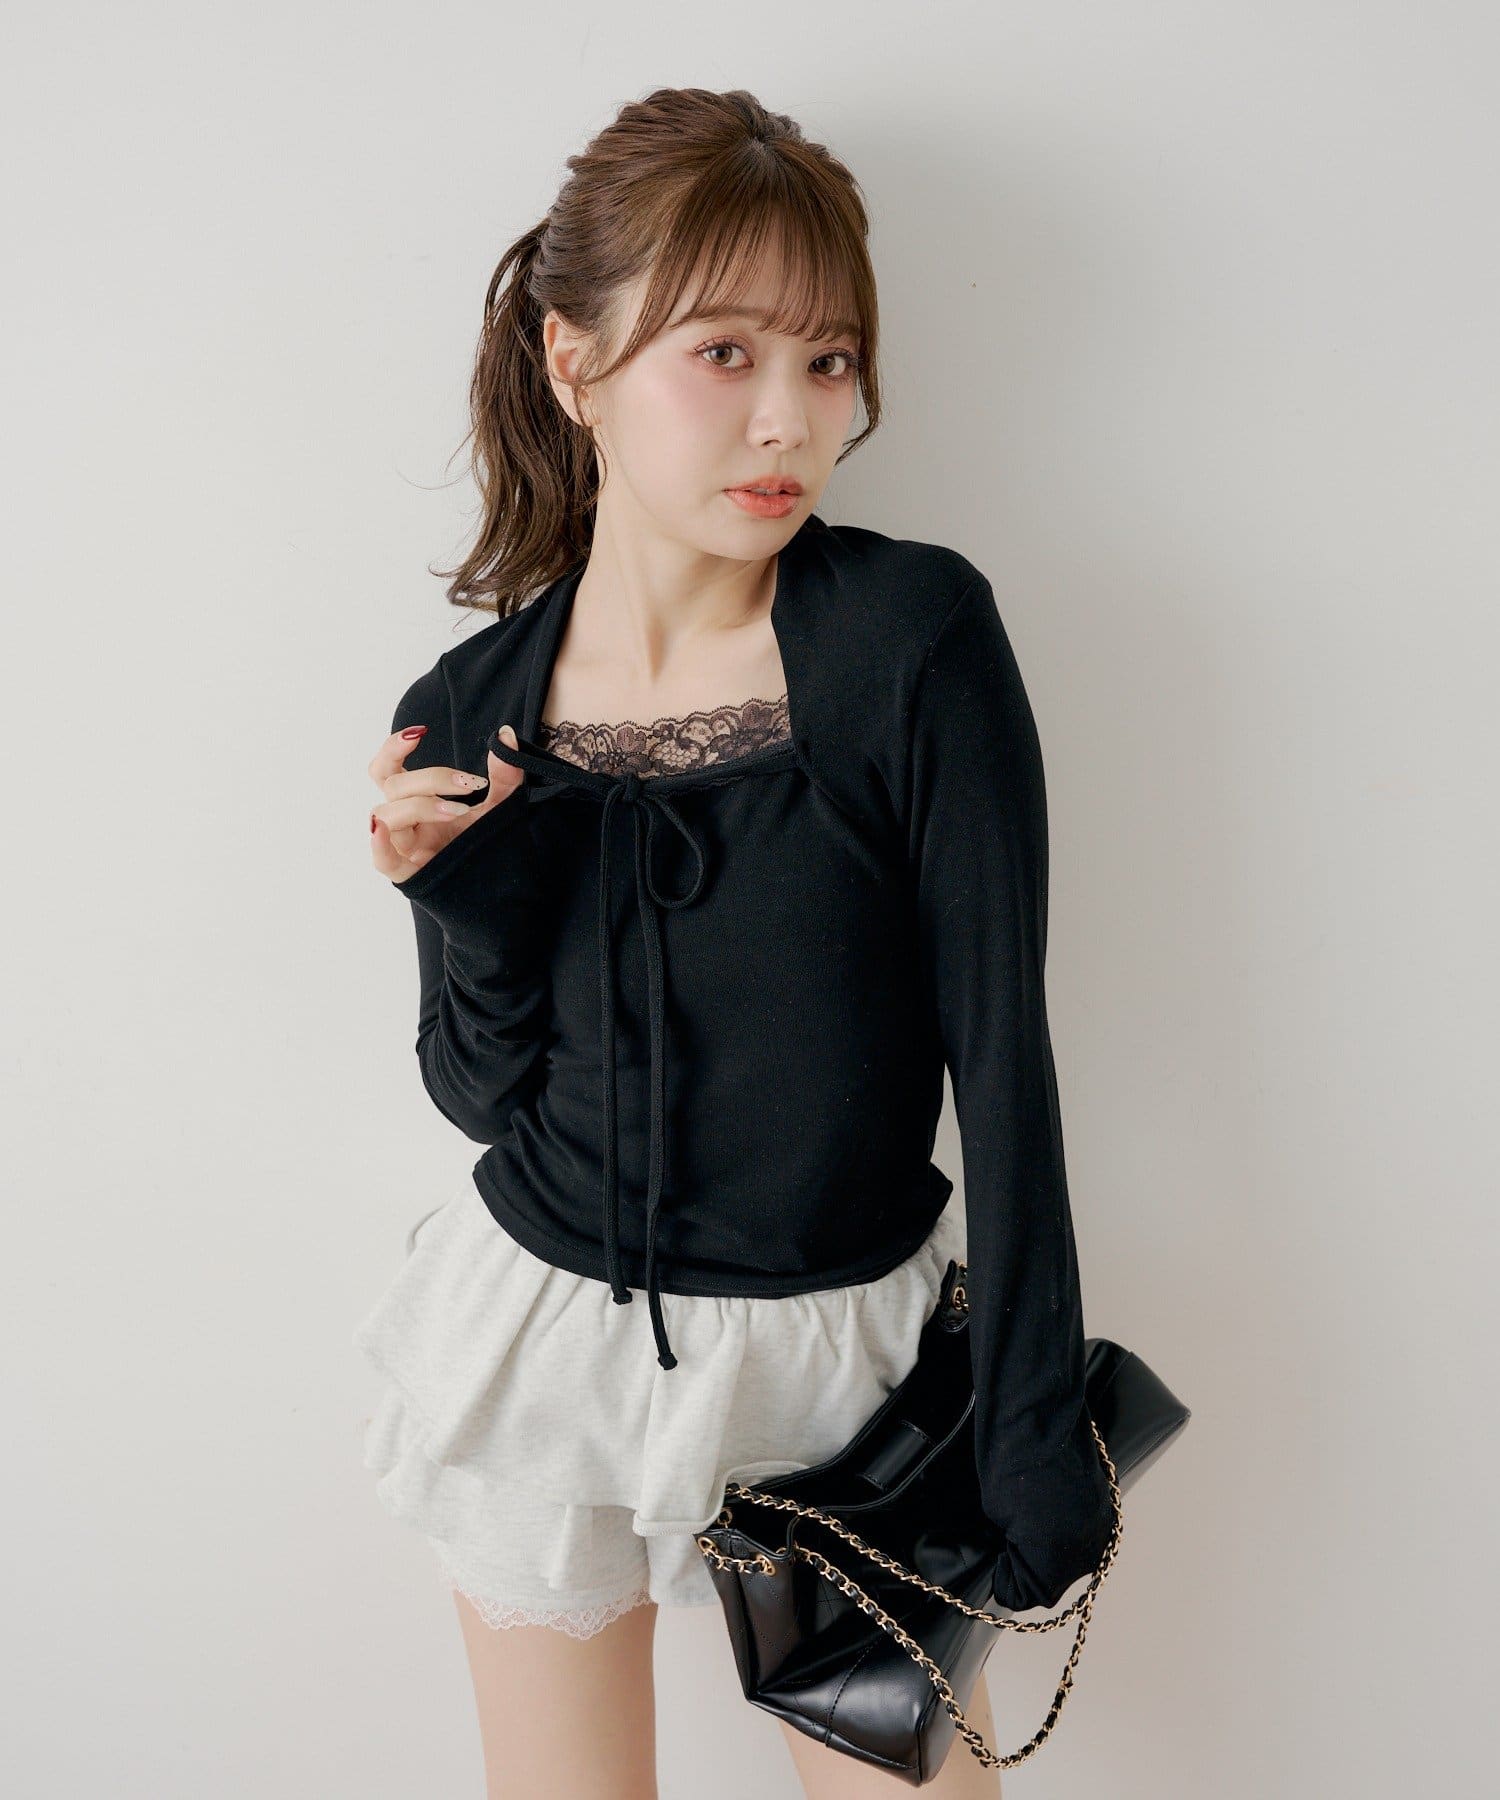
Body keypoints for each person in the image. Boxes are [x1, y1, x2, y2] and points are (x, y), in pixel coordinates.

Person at [355, 85, 1112, 1799]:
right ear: (575, 363)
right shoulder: (468, 706)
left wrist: (1030, 1424)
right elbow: (478, 1098)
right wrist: (462, 901)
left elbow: (1004, 1053)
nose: (792, 419)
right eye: (724, 353)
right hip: (544, 1340)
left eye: (829, 360)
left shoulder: (910, 640)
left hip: (846, 1369)